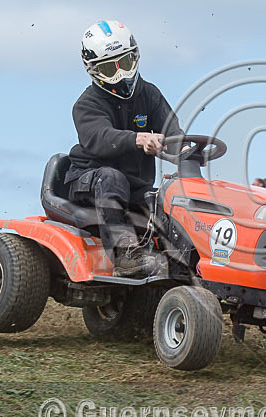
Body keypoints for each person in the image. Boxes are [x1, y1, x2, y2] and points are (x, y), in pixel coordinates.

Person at [66, 20, 184, 277]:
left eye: (125, 63)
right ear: (94, 70)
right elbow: (99, 138)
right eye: (110, 68)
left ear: (136, 56)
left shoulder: (149, 94)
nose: (121, 74)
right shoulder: (87, 104)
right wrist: (138, 139)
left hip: (134, 186)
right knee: (112, 176)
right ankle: (125, 256)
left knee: (169, 201)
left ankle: (184, 262)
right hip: (89, 180)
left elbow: (174, 134)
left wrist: (187, 152)